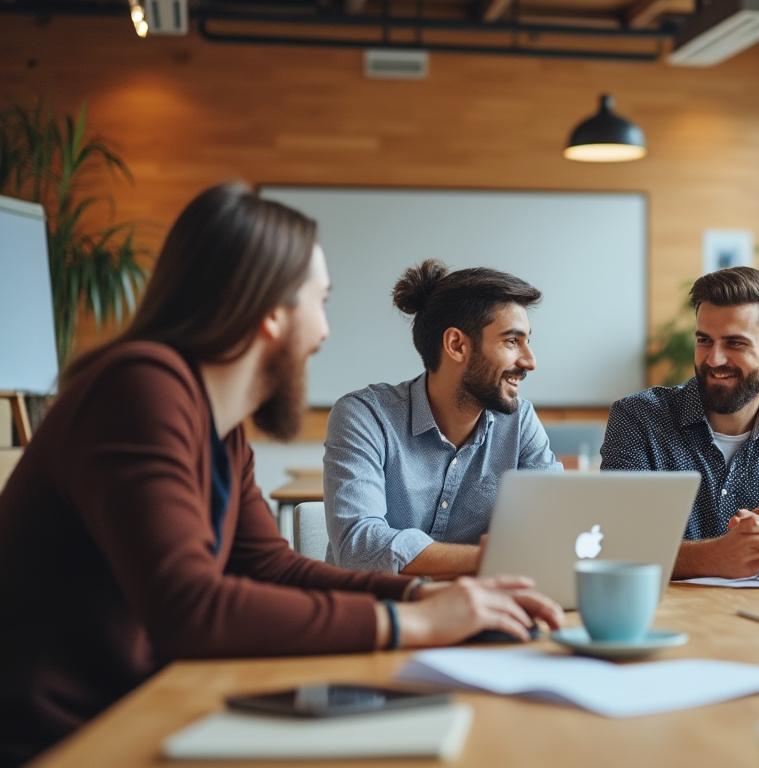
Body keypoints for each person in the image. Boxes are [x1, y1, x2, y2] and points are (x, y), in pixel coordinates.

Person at [0, 183, 562, 764]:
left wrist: (426, 596)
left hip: (139, 708)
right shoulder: (138, 389)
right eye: (320, 302)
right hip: (66, 737)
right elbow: (190, 609)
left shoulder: (218, 424)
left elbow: (270, 568)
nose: (324, 331)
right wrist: (409, 624)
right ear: (270, 311)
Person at [600, 267, 759, 579]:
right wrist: (715, 556)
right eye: (704, 340)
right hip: (669, 617)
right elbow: (617, 541)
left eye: (734, 343)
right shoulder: (639, 418)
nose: (714, 359)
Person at [323, 262, 560, 577]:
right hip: (383, 614)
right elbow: (359, 548)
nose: (530, 361)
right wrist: (491, 559)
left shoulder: (519, 421)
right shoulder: (365, 416)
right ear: (457, 345)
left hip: (484, 610)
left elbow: (557, 528)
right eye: (511, 341)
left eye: (528, 341)